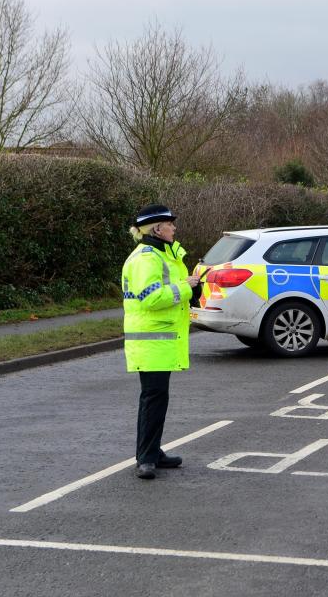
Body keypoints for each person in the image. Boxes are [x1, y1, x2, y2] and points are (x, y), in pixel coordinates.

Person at [122, 204, 202, 479]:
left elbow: (176, 291)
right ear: (158, 228)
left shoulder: (163, 255)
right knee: (153, 398)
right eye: (171, 224)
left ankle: (153, 452)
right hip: (150, 340)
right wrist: (186, 286)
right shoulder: (147, 258)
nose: (174, 228)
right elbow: (152, 298)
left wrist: (193, 287)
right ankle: (145, 458)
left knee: (157, 398)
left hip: (160, 339)